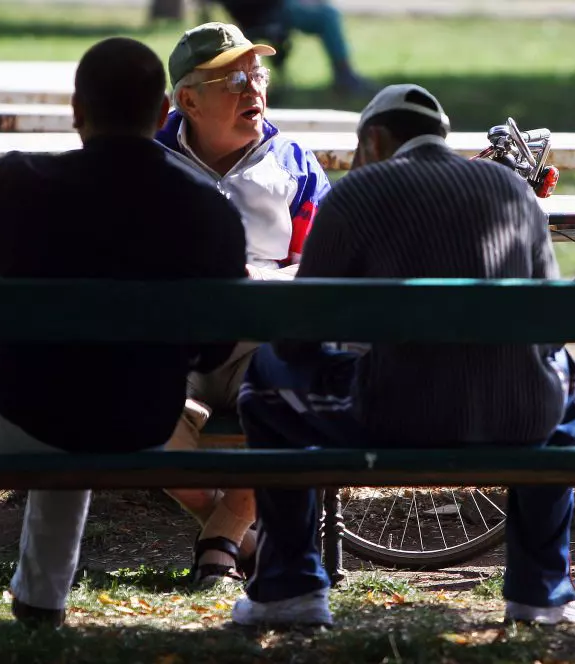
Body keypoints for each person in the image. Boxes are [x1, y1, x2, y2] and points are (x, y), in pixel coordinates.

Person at [0, 37, 248, 627]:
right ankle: (39, 599)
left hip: (20, 419)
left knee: (47, 377)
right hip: (143, 424)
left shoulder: (23, 182)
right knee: (85, 386)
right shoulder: (209, 211)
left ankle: (42, 600)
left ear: (76, 110)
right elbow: (215, 347)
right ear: (165, 109)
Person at [231, 84, 575, 627]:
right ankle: (542, 589)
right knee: (566, 393)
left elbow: (297, 337)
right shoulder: (511, 191)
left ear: (374, 140)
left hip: (393, 416)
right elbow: (549, 326)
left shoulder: (357, 194)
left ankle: (289, 587)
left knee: (263, 381)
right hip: (516, 418)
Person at [154, 21, 332, 587]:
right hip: (171, 347)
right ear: (188, 100)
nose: (253, 90)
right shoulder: (150, 166)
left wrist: (261, 280)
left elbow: (326, 264)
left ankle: (220, 544)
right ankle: (239, 535)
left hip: (260, 342)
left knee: (292, 398)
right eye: (233, 81)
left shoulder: (295, 164)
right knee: (137, 419)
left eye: (257, 75)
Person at [212, 0, 374, 96]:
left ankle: (345, 76)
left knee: (321, 7)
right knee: (327, 15)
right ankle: (345, 76)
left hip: (263, 9)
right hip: (265, 11)